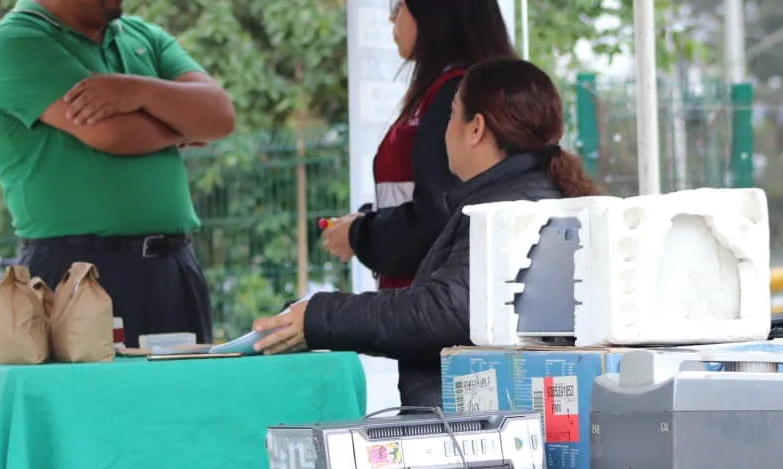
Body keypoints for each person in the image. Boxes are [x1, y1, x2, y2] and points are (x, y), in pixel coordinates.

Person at [0, 0, 236, 469]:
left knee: (179, 449)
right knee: (79, 455)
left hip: (173, 265)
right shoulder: (15, 44)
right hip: (72, 270)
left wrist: (134, 91)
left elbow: (219, 115)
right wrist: (173, 120)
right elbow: (112, 137)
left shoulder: (141, 39)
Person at [252, 58, 600, 407]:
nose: (444, 131)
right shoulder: (530, 196)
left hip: (473, 425)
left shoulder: (507, 210)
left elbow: (441, 312)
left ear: (476, 128)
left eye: (452, 114)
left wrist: (320, 316)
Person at [320, 0, 515, 292]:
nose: (392, 18)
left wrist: (361, 234)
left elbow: (439, 217)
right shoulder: (449, 91)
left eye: (400, 6)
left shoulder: (456, 97)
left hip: (433, 300)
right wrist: (368, 222)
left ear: (432, 14)